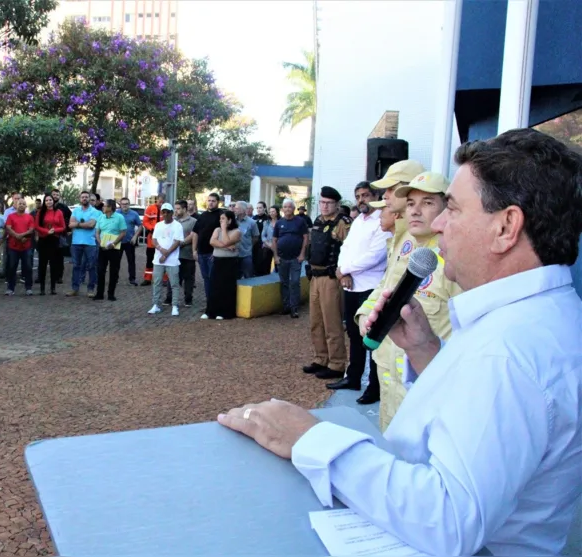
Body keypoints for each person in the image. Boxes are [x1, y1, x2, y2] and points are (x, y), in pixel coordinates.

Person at [218, 128, 582, 556]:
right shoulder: (541, 318)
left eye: (455, 210)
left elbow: (448, 520)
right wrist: (427, 352)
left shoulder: (507, 351)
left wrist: (307, 438)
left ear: (506, 227)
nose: (440, 223)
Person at [362, 172, 461, 427]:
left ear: (446, 209)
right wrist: (367, 313)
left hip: (428, 389)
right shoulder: (409, 245)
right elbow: (386, 287)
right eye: (410, 204)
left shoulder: (455, 259)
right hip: (392, 380)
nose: (415, 211)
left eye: (427, 203)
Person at [353, 159, 426, 412]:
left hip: (417, 369)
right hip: (391, 363)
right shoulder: (401, 237)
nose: (384, 196)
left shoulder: (429, 242)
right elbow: (387, 285)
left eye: (390, 189)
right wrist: (364, 313)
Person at [328, 182, 390, 405]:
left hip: (371, 287)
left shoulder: (382, 222)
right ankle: (353, 378)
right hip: (351, 285)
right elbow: (345, 249)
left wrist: (345, 269)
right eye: (358, 196)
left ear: (376, 196)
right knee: (353, 335)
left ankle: (374, 387)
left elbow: (375, 256)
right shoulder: (357, 222)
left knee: (371, 338)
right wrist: (341, 272)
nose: (361, 199)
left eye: (366, 195)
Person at [302, 187, 351, 377]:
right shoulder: (318, 221)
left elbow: (349, 250)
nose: (324, 206)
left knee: (332, 323)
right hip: (315, 276)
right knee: (316, 322)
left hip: (332, 278)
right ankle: (320, 358)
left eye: (328, 203)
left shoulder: (344, 224)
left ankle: (337, 363)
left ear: (337, 205)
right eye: (322, 202)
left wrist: (344, 273)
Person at [272, 199, 309, 318]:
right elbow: (274, 240)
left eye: (289, 207)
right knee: (284, 283)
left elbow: (305, 238)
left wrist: (302, 254)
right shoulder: (279, 223)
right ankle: (286, 306)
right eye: (285, 207)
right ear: (282, 209)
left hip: (296, 258)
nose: (287, 209)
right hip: (282, 258)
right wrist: (276, 256)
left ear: (293, 208)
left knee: (294, 282)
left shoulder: (300, 221)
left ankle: (294, 308)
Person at [202, 210, 241, 320]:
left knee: (226, 287)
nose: (220, 221)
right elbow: (212, 241)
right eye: (220, 219)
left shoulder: (236, 231)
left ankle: (225, 312)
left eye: (223, 219)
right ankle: (211, 311)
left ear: (230, 220)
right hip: (217, 260)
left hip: (229, 263)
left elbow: (226, 241)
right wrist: (226, 246)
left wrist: (224, 230)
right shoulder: (217, 229)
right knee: (214, 285)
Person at [148, 203, 184, 317]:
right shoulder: (158, 225)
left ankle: (174, 305)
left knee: (174, 283)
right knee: (157, 282)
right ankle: (156, 304)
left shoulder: (177, 225)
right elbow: (154, 240)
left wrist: (166, 254)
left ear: (172, 213)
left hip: (172, 260)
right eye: (163, 212)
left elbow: (177, 241)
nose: (165, 214)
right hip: (158, 259)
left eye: (168, 212)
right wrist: (161, 249)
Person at [67, 191, 102, 297]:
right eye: (82, 197)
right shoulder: (76, 211)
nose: (84, 199)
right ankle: (75, 289)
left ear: (89, 199)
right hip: (76, 242)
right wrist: (82, 224)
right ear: (80, 199)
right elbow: (70, 225)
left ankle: (90, 289)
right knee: (76, 266)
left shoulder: (96, 212)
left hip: (90, 243)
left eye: (86, 197)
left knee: (91, 266)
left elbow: (91, 225)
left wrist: (77, 224)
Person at [164, 200, 197, 307]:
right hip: (174, 255)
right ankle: (169, 298)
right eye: (175, 208)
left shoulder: (193, 221)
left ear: (184, 209)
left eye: (178, 208)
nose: (176, 211)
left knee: (188, 278)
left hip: (187, 255)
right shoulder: (173, 221)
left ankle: (188, 299)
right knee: (172, 277)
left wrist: (181, 243)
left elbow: (193, 235)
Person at [94, 199, 127, 301]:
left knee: (113, 271)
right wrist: (100, 242)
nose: (103, 207)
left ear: (110, 207)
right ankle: (99, 293)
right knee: (100, 271)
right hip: (103, 248)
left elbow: (123, 232)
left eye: (105, 206)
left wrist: (114, 243)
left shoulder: (119, 217)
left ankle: (111, 294)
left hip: (114, 249)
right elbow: (97, 232)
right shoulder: (101, 217)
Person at [192, 192, 222, 300]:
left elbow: (223, 235)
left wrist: (217, 251)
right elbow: (195, 233)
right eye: (209, 200)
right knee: (205, 278)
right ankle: (209, 300)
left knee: (214, 277)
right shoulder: (202, 215)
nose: (211, 203)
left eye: (213, 201)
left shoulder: (221, 215)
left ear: (218, 202)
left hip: (213, 253)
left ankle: (215, 301)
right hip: (201, 253)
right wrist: (194, 251)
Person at [4, 198, 36, 296]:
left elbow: (31, 229)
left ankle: (28, 288)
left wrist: (21, 236)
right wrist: (16, 235)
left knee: (28, 267)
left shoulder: (29, 217)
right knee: (12, 267)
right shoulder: (10, 216)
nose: (21, 205)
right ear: (16, 205)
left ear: (26, 206)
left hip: (26, 246)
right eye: (19, 203)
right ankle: (10, 288)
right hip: (13, 247)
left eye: (23, 204)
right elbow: (8, 228)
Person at [35, 195, 66, 295]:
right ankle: (42, 288)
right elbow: (36, 226)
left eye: (50, 200)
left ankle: (53, 288)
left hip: (54, 240)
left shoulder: (59, 212)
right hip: (43, 239)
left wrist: (54, 230)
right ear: (44, 202)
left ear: (53, 201)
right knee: (42, 265)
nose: (48, 202)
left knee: (54, 265)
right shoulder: (41, 212)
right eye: (46, 200)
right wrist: (46, 231)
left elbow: (63, 227)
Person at [141, 193, 165, 285]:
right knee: (150, 260)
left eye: (162, 202)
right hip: (152, 239)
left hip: (163, 239)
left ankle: (165, 279)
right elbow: (145, 221)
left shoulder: (166, 209)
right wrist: (152, 228)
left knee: (164, 259)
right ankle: (147, 279)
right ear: (157, 200)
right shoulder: (150, 208)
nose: (160, 204)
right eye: (159, 201)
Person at [118, 198, 142, 286]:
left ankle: (132, 279)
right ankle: (115, 278)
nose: (125, 205)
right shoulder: (116, 213)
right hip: (118, 241)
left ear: (129, 204)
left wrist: (135, 237)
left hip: (130, 241)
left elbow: (140, 226)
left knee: (131, 261)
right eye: (123, 204)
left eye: (126, 203)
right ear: (120, 204)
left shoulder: (134, 214)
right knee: (116, 261)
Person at [233, 201, 259, 279]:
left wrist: (248, 246)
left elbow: (256, 237)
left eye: (237, 208)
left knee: (248, 277)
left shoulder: (252, 222)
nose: (234, 209)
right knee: (234, 277)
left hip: (246, 255)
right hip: (234, 254)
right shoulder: (232, 221)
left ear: (243, 210)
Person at [252, 201, 270, 276]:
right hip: (254, 243)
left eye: (260, 208)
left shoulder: (267, 218)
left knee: (263, 262)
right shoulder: (254, 218)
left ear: (264, 208)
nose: (258, 209)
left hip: (264, 244)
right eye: (257, 208)